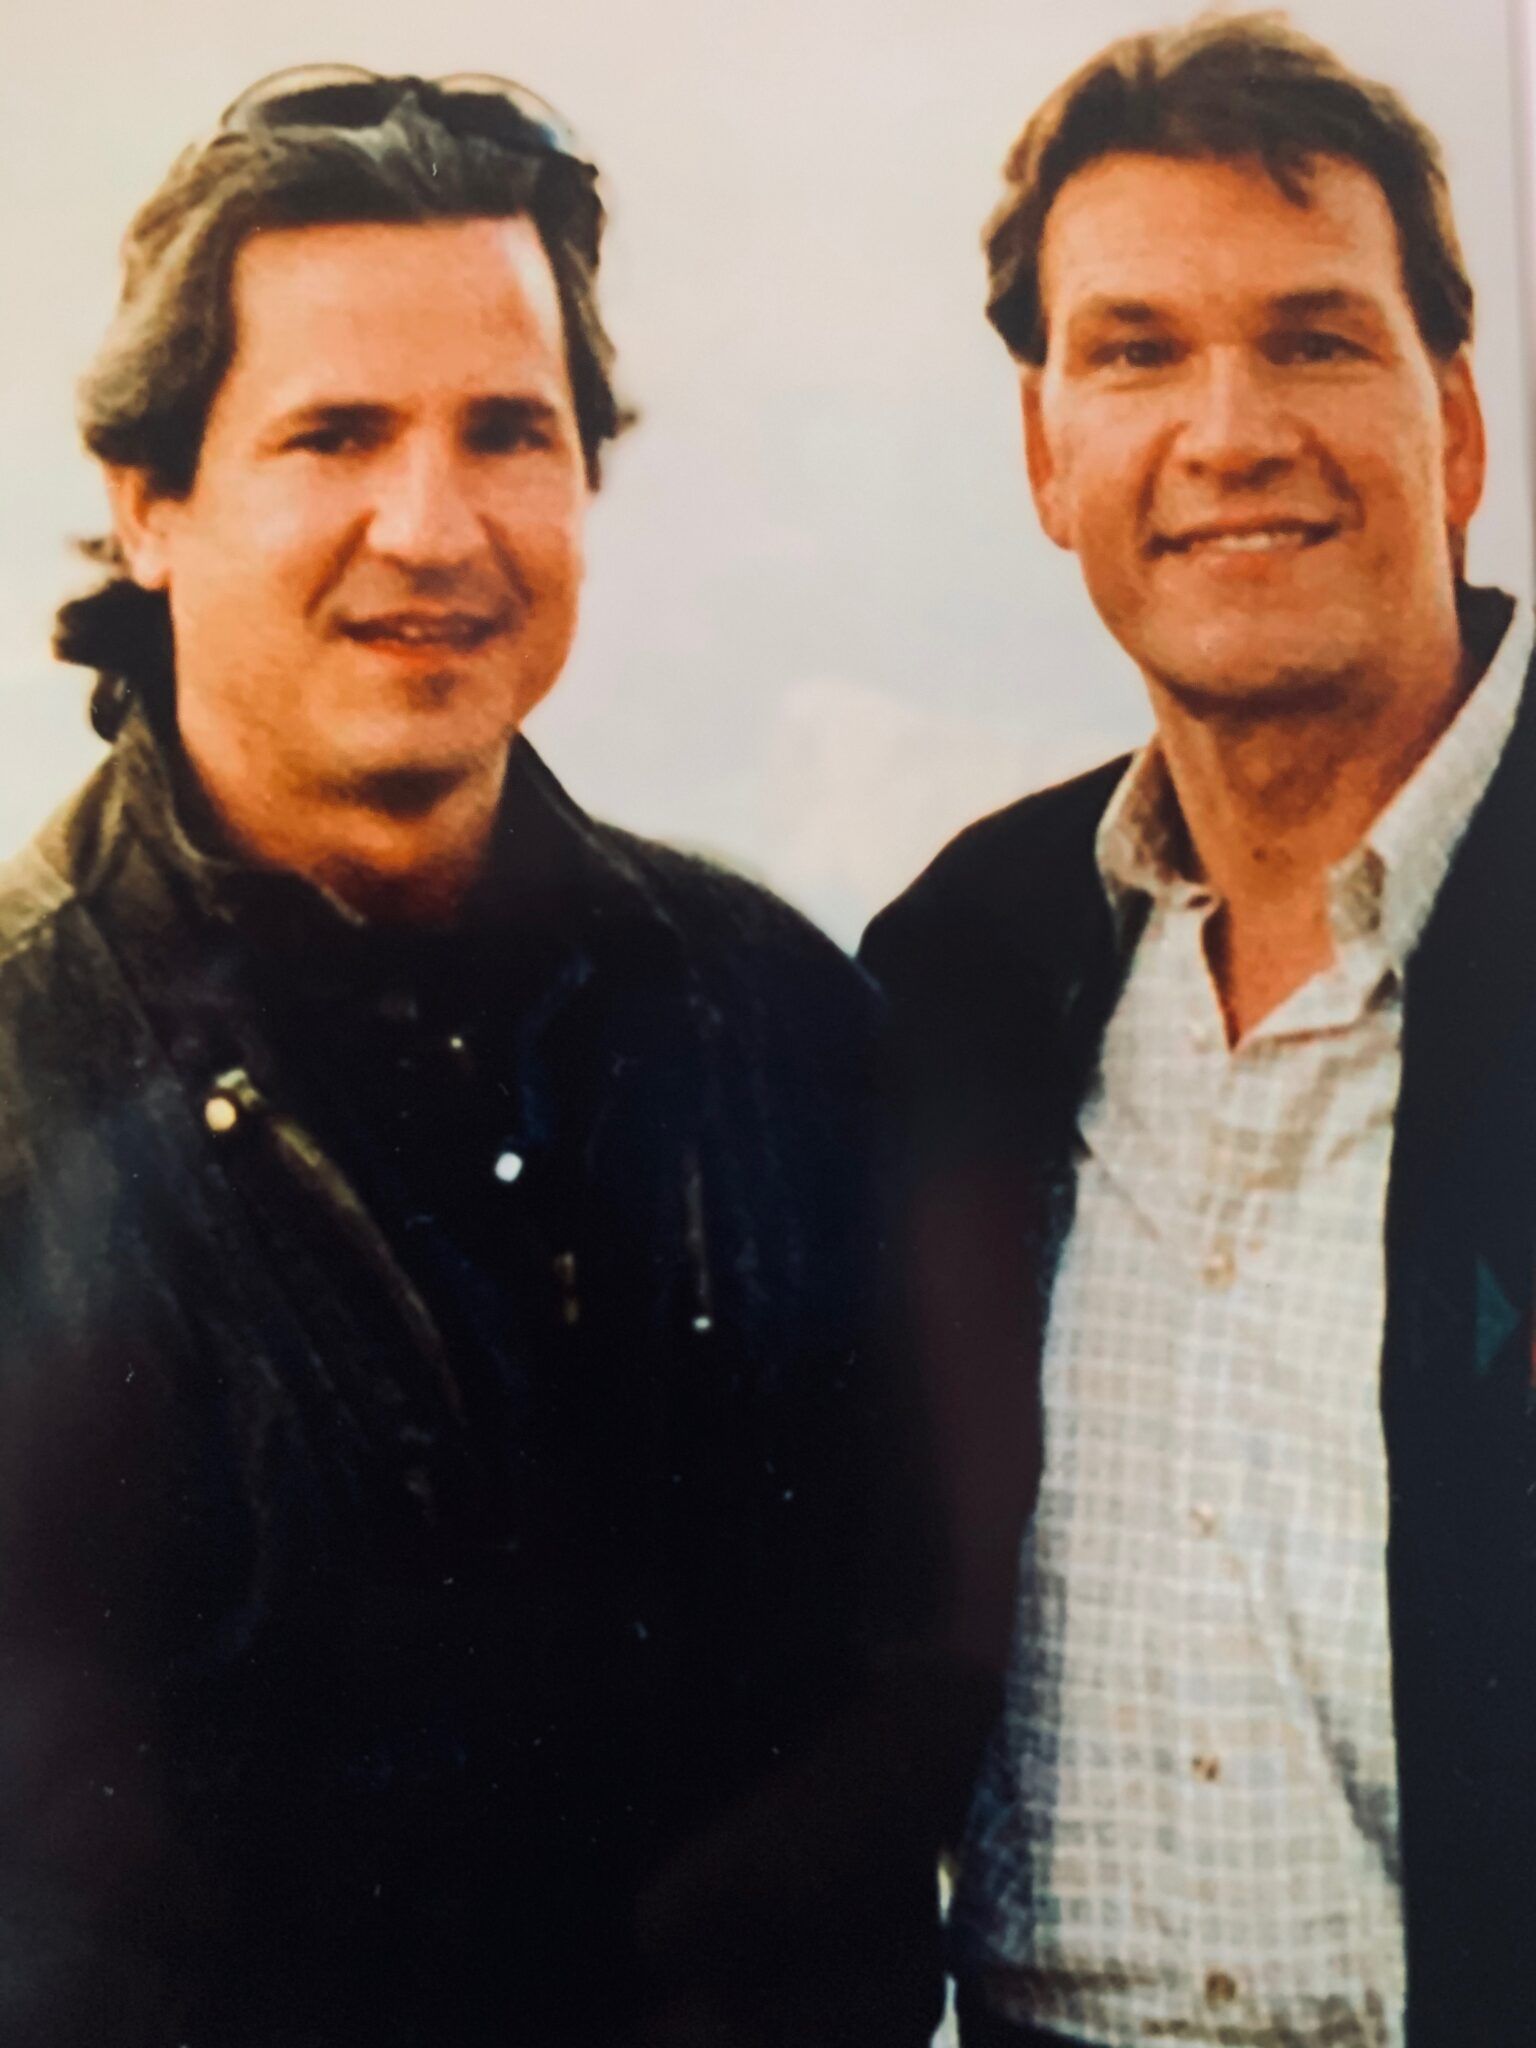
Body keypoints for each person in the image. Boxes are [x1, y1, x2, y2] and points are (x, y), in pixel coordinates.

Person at [0, 69, 942, 2048]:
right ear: (149, 501)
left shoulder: (784, 1024)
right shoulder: (21, 1077)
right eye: (334, 433)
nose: (430, 528)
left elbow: (900, 1712)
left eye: (508, 431)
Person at [861, 16, 1536, 2048]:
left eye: (1315, 340)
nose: (1229, 433)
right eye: (1137, 352)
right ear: (1047, 453)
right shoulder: (961, 968)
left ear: (1457, 425)